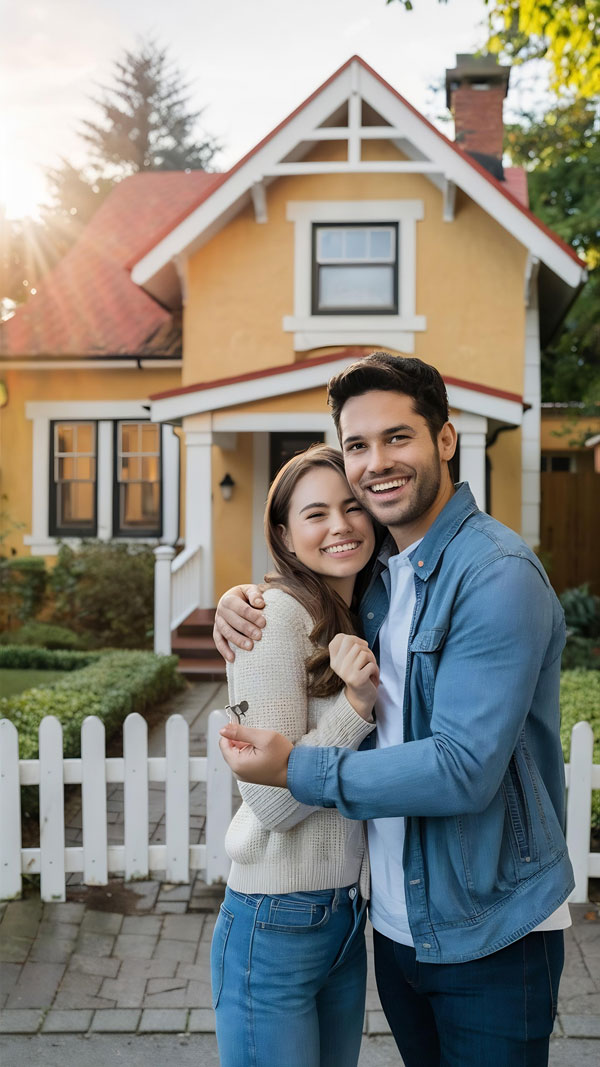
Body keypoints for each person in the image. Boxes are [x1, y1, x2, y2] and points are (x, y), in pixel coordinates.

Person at [214, 352, 574, 1067]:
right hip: (394, 930)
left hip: (490, 931)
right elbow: (309, 587)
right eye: (357, 445)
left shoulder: (495, 575)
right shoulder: (380, 579)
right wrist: (245, 597)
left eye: (398, 437)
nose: (376, 462)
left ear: (444, 439)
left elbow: (462, 768)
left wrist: (301, 771)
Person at [211, 444, 382, 1067]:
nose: (340, 525)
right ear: (283, 533)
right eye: (316, 514)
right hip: (274, 921)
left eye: (352, 506)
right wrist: (355, 708)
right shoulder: (273, 617)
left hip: (341, 914)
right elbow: (271, 802)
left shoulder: (363, 607)